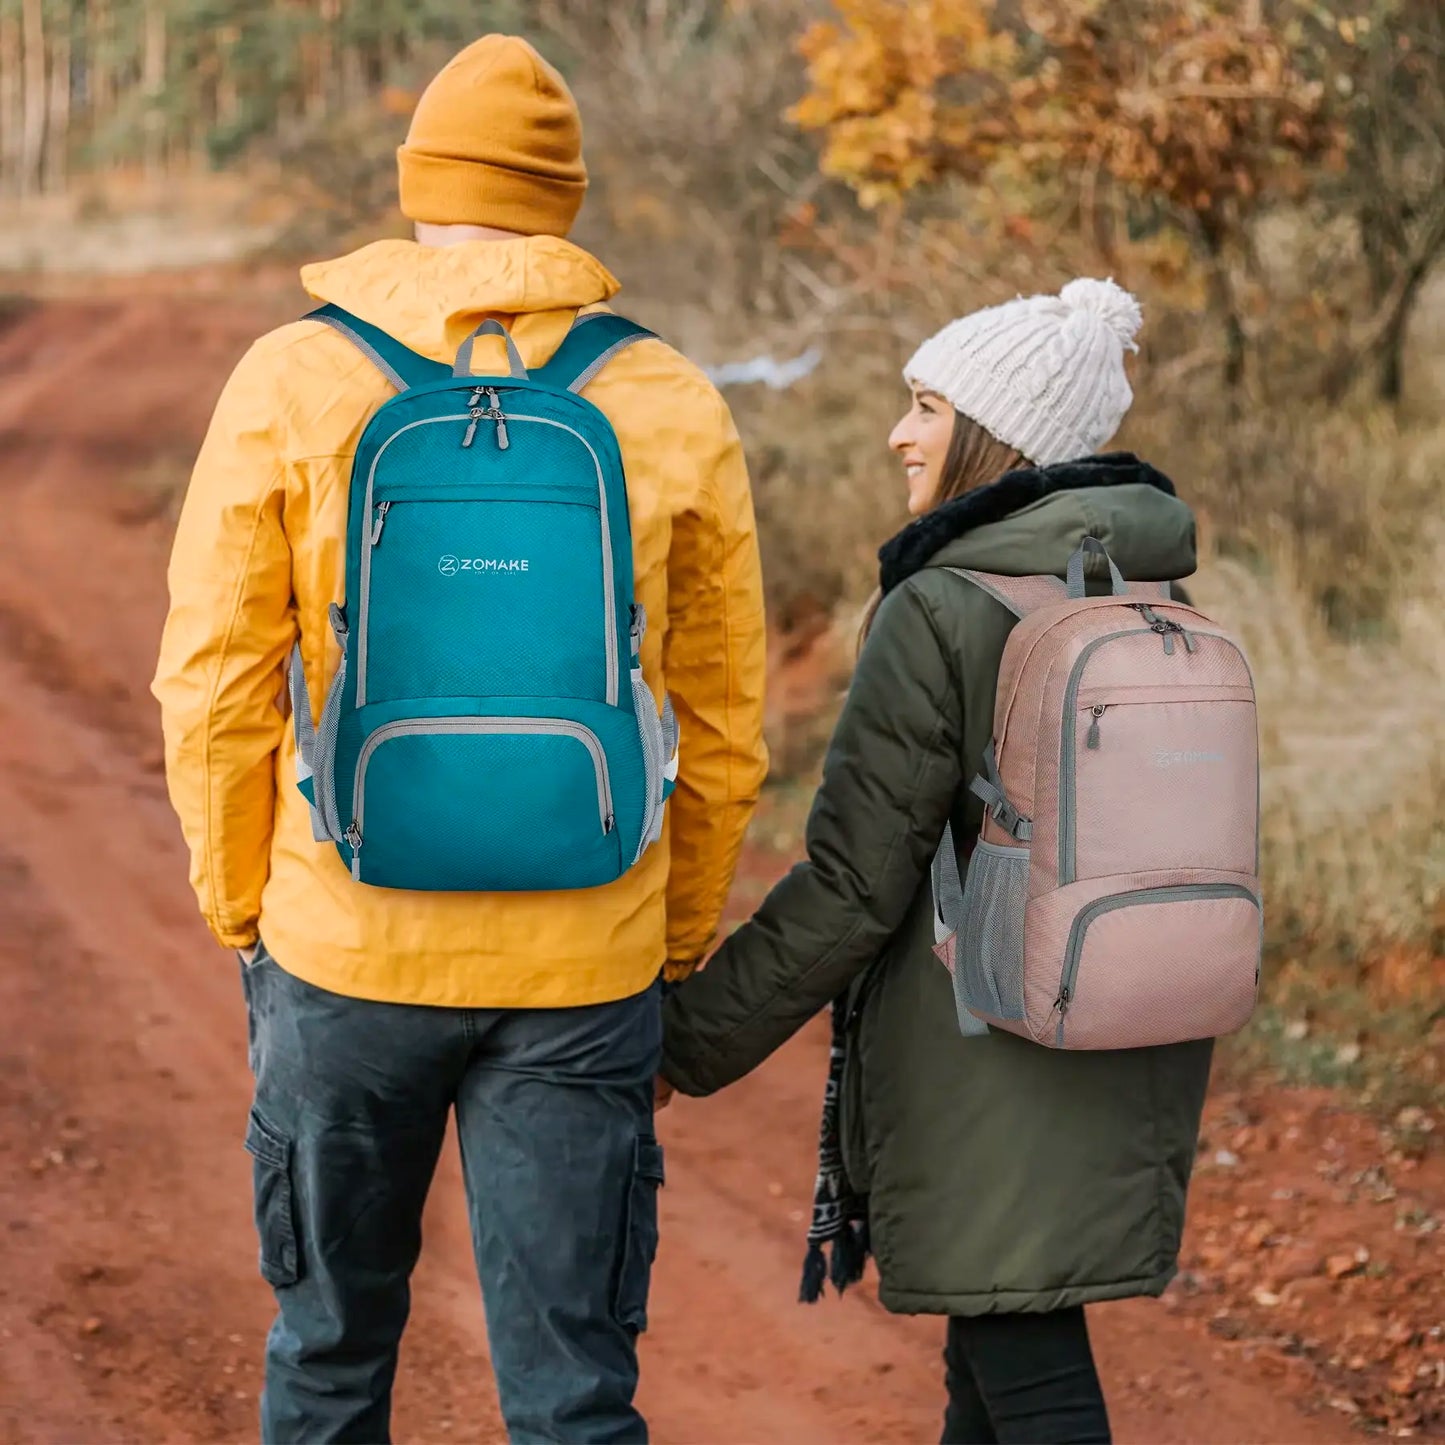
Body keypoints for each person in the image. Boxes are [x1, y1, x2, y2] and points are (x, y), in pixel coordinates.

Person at [152, 34, 767, 1444]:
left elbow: (212, 678)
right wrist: (669, 936)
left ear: (417, 183)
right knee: (573, 1396)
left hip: (345, 943)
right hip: (585, 954)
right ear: (566, 198)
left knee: (327, 1355)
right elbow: (727, 717)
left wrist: (243, 901)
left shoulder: (295, 378)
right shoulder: (663, 395)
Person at [659, 279, 1213, 1445]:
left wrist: (684, 1039)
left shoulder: (941, 605)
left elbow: (855, 882)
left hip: (986, 1050)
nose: (898, 433)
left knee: (1029, 1366)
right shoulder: (1155, 586)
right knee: (994, 1340)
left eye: (923, 405)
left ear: (990, 435)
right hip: (1123, 1025)